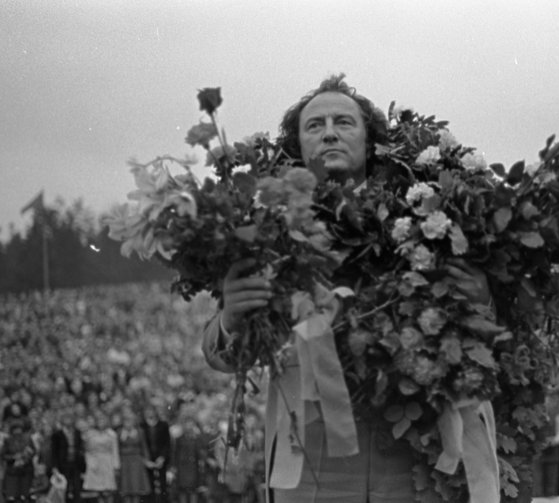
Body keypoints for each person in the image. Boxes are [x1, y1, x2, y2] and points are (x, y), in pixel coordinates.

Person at [202, 74, 498, 503]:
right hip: (311, 464)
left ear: (370, 141)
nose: (329, 133)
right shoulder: (265, 227)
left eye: (343, 122)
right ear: (297, 146)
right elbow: (223, 355)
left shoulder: (429, 216)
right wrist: (231, 317)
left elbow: (493, 341)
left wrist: (481, 302)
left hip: (415, 456)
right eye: (314, 125)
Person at [48, 409, 86, 503]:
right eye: (66, 418)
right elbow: (53, 452)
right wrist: (54, 467)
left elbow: (81, 450)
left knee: (77, 489)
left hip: (76, 465)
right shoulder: (57, 435)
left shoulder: (77, 433)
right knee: (63, 489)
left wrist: (83, 466)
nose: (68, 420)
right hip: (62, 465)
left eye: (70, 418)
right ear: (62, 420)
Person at [82, 410, 120, 503]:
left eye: (103, 419)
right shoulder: (90, 434)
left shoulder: (111, 434)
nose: (101, 422)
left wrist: (116, 466)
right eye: (99, 420)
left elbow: (115, 450)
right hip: (95, 462)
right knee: (98, 490)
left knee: (108, 490)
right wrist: (89, 462)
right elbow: (87, 450)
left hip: (108, 462)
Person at [117, 408, 151, 503]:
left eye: (130, 420)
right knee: (126, 488)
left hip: (136, 461)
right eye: (126, 420)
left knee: (136, 488)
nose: (128, 423)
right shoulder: (119, 432)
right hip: (124, 461)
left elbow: (144, 447)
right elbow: (117, 448)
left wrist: (147, 460)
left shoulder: (139, 432)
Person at [139, 404, 171, 503]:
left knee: (162, 485)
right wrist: (146, 460)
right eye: (147, 410)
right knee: (149, 486)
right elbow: (140, 445)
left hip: (160, 460)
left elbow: (167, 443)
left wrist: (162, 457)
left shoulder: (163, 425)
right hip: (147, 460)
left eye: (151, 410)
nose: (149, 413)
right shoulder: (142, 426)